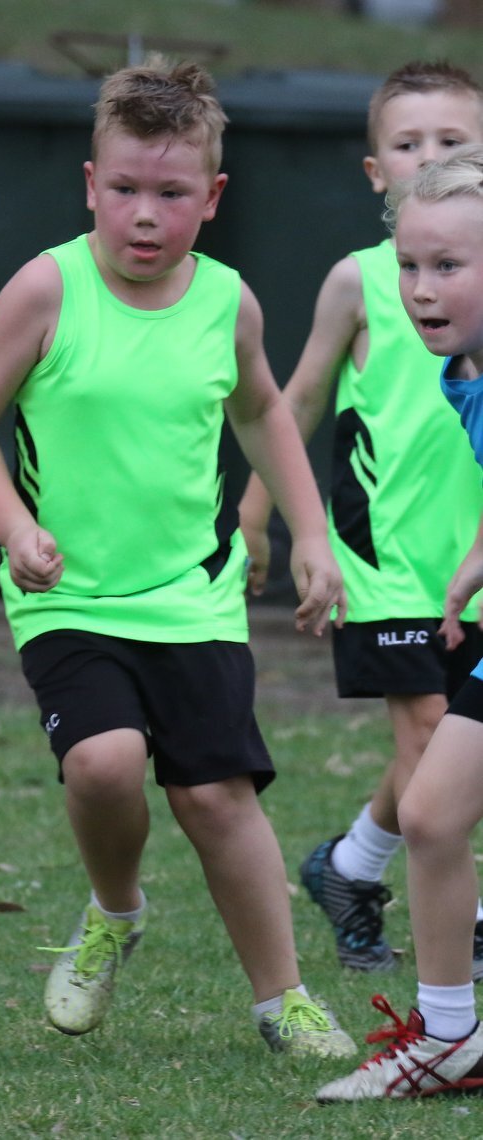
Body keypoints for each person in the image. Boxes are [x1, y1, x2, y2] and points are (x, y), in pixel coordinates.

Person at [0, 57, 355, 1056]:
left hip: (193, 594)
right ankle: (115, 913)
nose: (143, 215)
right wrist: (12, 527)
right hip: (67, 593)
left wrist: (307, 536)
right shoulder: (47, 288)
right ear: (91, 184)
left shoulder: (229, 304)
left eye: (170, 194)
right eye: (124, 189)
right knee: (105, 761)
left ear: (211, 199)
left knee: (217, 796)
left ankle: (283, 1000)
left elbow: (260, 411)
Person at [238, 61, 483, 978]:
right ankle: (463, 932)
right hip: (383, 559)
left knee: (455, 729)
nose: (428, 157)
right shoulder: (361, 282)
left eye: (452, 142)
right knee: (428, 728)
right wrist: (258, 515)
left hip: (468, 550)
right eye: (407, 144)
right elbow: (292, 399)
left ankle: (350, 865)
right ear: (374, 170)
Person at [316, 146, 483, 1101]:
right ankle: (452, 1040)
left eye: (447, 267)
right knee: (428, 811)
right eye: (409, 266)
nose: (419, 289)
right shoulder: (462, 369)